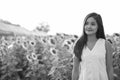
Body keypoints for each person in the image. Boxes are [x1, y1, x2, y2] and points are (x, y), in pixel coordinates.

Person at [72, 12, 114, 80]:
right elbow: (75, 70)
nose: (89, 26)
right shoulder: (78, 44)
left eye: (93, 24)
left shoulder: (106, 44)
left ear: (98, 26)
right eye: (86, 23)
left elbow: (109, 68)